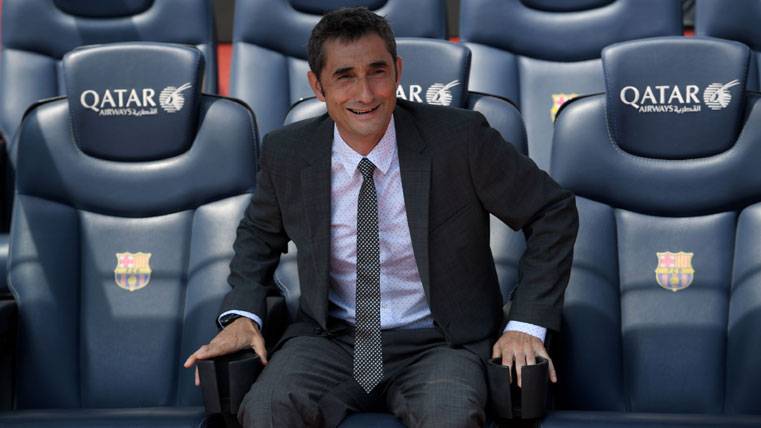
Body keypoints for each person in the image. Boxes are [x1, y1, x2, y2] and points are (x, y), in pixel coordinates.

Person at [185, 7, 578, 427]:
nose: (366, 94)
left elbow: (551, 211)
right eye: (345, 76)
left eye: (377, 72)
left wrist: (526, 323)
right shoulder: (287, 152)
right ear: (317, 86)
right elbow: (257, 239)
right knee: (266, 411)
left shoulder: (460, 139)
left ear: (398, 72)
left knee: (450, 418)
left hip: (441, 343)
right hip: (332, 339)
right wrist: (244, 316)